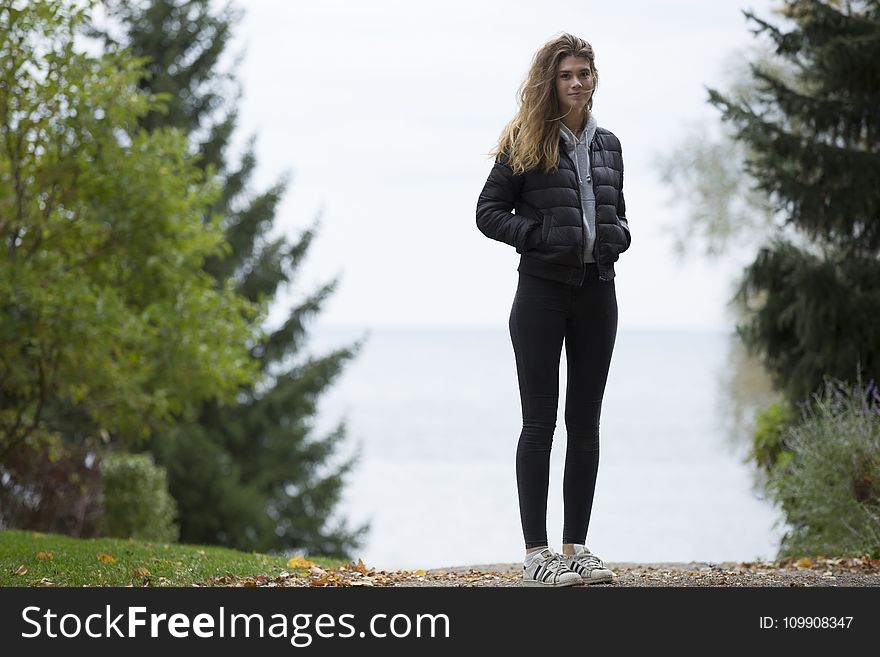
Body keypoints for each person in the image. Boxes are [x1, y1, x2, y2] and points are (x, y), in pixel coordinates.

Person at [475, 33, 631, 587]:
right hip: (540, 294)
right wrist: (537, 235)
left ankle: (578, 548)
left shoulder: (608, 144)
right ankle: (537, 556)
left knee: (585, 422)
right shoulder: (525, 141)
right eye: (567, 74)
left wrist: (617, 235)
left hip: (598, 293)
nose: (577, 83)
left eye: (584, 74)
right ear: (551, 80)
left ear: (594, 79)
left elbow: (617, 211)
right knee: (539, 424)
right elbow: (487, 213)